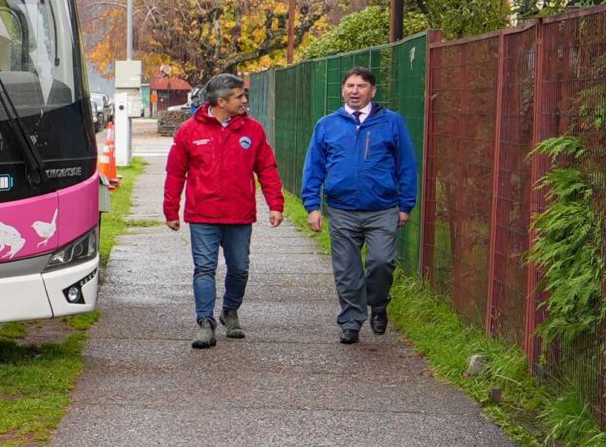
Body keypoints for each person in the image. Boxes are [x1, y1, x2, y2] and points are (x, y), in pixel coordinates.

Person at [163, 72, 284, 349]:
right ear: (221, 101)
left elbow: (267, 168)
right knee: (204, 268)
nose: (245, 100)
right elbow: (175, 173)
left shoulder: (253, 130)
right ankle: (205, 323)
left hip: (239, 214)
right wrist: (171, 209)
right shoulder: (189, 131)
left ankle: (230, 310)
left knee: (239, 268)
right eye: (239, 96)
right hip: (202, 214)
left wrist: (275, 204)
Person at [301, 66, 418, 343]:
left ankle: (378, 303)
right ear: (343, 90)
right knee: (347, 269)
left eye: (361, 86)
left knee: (381, 261)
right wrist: (312, 206)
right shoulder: (327, 125)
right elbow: (313, 167)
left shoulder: (391, 122)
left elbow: (407, 165)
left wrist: (405, 205)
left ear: (372, 91)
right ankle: (351, 321)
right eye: (350, 86)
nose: (355, 91)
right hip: (341, 209)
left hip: (383, 208)